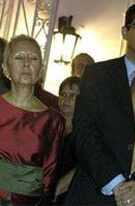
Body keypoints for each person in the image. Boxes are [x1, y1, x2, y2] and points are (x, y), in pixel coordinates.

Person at [65, 2, 135, 205]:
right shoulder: (97, 75)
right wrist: (116, 183)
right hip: (96, 192)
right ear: (125, 31)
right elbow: (84, 132)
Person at [0, 35, 65, 205]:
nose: (27, 63)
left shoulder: (53, 120)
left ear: (41, 71)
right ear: (5, 69)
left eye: (33, 58)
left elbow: (50, 175)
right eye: (19, 57)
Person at [54, 76, 81, 204]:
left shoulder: (85, 132)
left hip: (70, 196)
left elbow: (81, 168)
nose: (66, 99)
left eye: (72, 95)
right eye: (63, 94)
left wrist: (54, 191)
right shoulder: (49, 125)